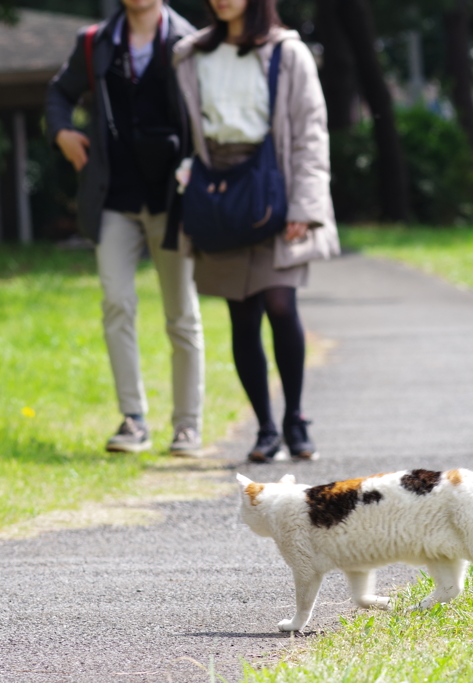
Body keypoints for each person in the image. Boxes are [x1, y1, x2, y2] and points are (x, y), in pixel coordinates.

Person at [172, 0, 339, 462]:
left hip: (274, 188)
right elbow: (185, 128)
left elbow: (311, 132)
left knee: (281, 304)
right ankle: (265, 428)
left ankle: (296, 419)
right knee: (241, 314)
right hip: (219, 193)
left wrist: (304, 205)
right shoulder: (190, 54)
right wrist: (186, 173)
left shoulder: (288, 53)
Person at [46, 0, 205, 456]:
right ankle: (133, 420)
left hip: (172, 199)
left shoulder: (190, 44)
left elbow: (207, 113)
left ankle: (187, 426)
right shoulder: (95, 43)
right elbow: (59, 94)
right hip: (113, 198)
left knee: (181, 314)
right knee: (116, 301)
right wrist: (62, 133)